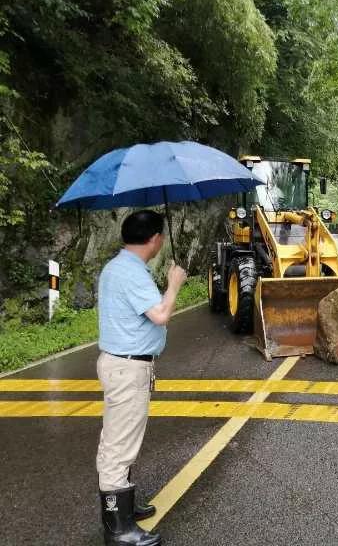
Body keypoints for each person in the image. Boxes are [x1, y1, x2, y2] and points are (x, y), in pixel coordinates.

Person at [96, 210, 187, 546]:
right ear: (155, 239)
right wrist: (174, 285)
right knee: (118, 446)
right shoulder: (130, 272)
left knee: (123, 439)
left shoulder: (118, 267)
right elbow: (161, 315)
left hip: (123, 364)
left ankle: (126, 507)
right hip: (127, 367)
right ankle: (119, 530)